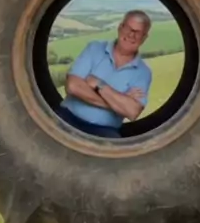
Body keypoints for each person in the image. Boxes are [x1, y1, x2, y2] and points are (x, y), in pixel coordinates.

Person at [58, 10, 153, 138]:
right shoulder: (94, 48)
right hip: (68, 117)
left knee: (116, 147)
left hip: (104, 131)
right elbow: (73, 86)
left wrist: (99, 84)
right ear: (120, 28)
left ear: (144, 38)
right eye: (128, 28)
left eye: (137, 32)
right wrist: (117, 104)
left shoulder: (143, 72)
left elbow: (132, 111)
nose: (131, 35)